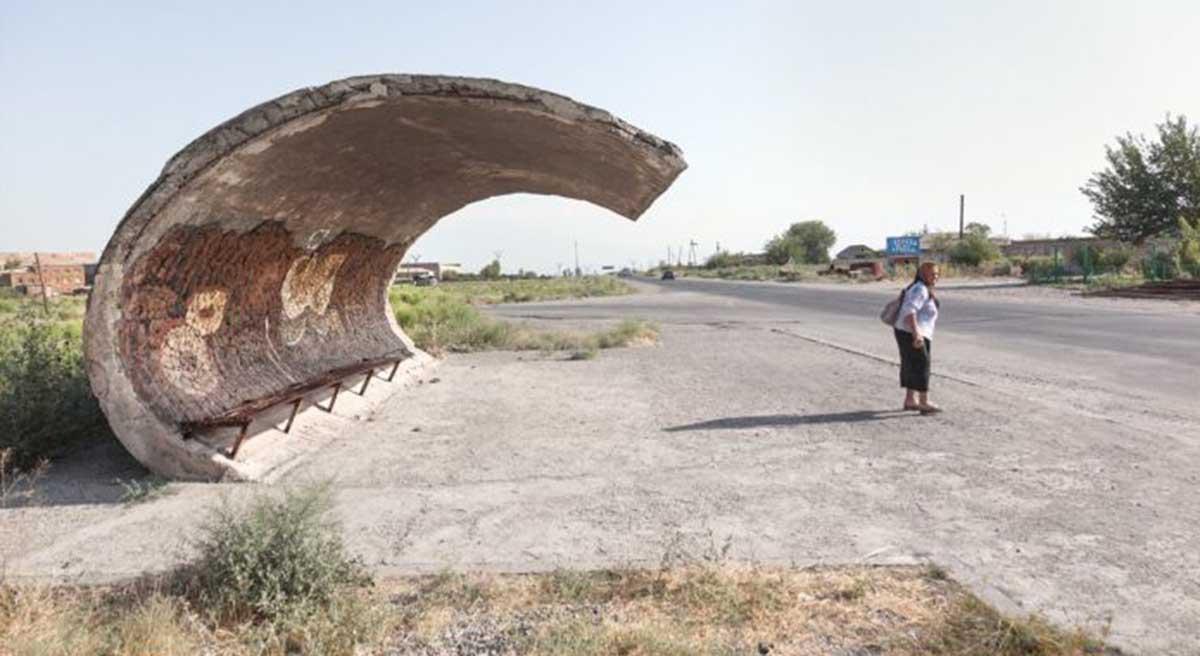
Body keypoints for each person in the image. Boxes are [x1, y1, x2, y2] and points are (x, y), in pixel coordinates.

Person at [893, 262, 942, 414]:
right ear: (922, 274)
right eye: (932, 274)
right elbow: (910, 311)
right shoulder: (920, 289)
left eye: (937, 274)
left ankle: (910, 400)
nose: (935, 277)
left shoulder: (921, 287)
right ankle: (924, 402)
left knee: (912, 365)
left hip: (909, 331)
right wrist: (916, 334)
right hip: (913, 333)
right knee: (922, 365)